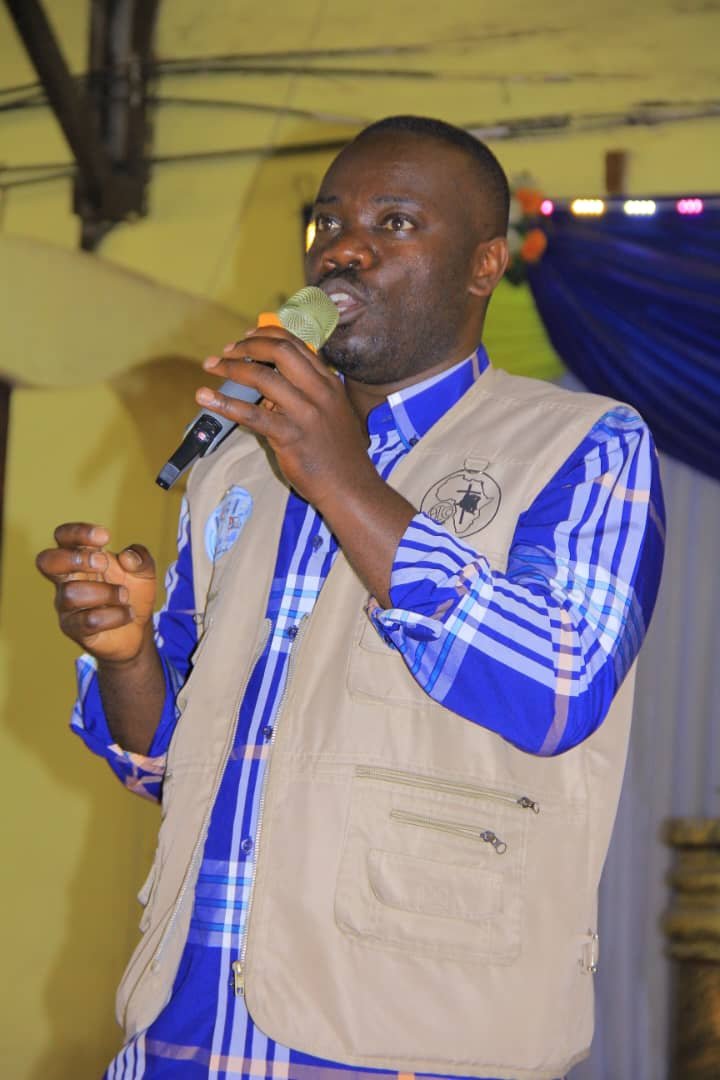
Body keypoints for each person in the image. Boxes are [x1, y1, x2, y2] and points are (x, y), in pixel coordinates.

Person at [36, 116, 665, 1080]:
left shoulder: (585, 444)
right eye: (327, 222)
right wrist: (125, 655)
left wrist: (340, 475)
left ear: (484, 264)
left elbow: (558, 688)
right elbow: (168, 761)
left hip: (409, 1038)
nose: (345, 248)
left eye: (395, 221)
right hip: (185, 1033)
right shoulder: (237, 467)